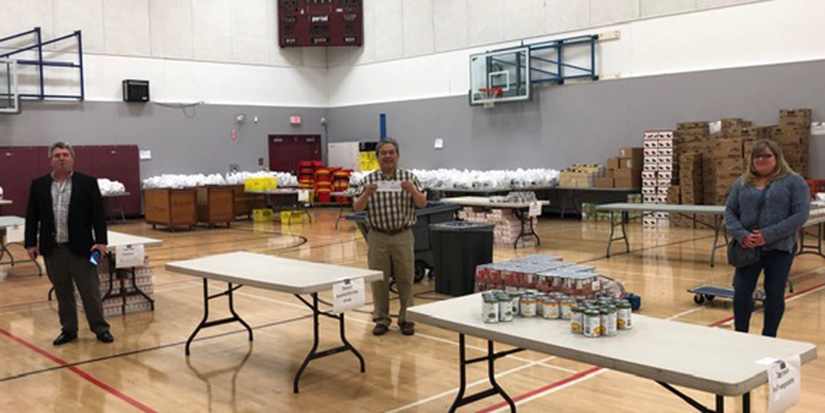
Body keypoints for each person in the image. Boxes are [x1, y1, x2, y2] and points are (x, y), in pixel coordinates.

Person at [25, 142, 114, 345]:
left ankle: (100, 328)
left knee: (90, 291)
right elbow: (32, 216)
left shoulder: (87, 183)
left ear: (72, 159)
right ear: (51, 160)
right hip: (53, 249)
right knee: (62, 292)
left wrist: (101, 241)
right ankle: (69, 329)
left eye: (65, 155)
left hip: (82, 249)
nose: (61, 159)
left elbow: (98, 215)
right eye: (57, 155)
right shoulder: (39, 185)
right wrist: (30, 243)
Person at [725, 139, 809, 337]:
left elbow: (800, 216)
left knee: (774, 293)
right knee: (742, 292)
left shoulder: (794, 182)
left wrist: (768, 235)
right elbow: (730, 212)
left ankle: (769, 337)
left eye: (767, 156)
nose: (761, 160)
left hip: (780, 248)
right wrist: (742, 235)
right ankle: (740, 336)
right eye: (757, 156)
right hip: (747, 248)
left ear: (777, 158)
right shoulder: (742, 182)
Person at [353, 139, 427, 336]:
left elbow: (422, 203)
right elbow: (357, 207)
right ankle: (381, 319)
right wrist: (366, 194)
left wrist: (412, 190)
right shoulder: (368, 181)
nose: (388, 156)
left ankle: (407, 319)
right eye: (383, 153)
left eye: (391, 152)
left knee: (406, 278)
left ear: (398, 155)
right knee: (379, 279)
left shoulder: (409, 178)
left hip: (403, 234)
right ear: (377, 157)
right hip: (377, 235)